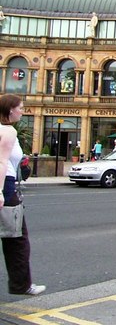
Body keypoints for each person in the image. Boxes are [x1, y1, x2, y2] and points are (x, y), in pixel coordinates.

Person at [0, 94, 46, 295]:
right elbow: (1, 162)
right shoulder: (8, 131)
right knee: (17, 239)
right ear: (10, 110)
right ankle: (21, 285)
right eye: (20, 107)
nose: (23, 110)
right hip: (6, 187)